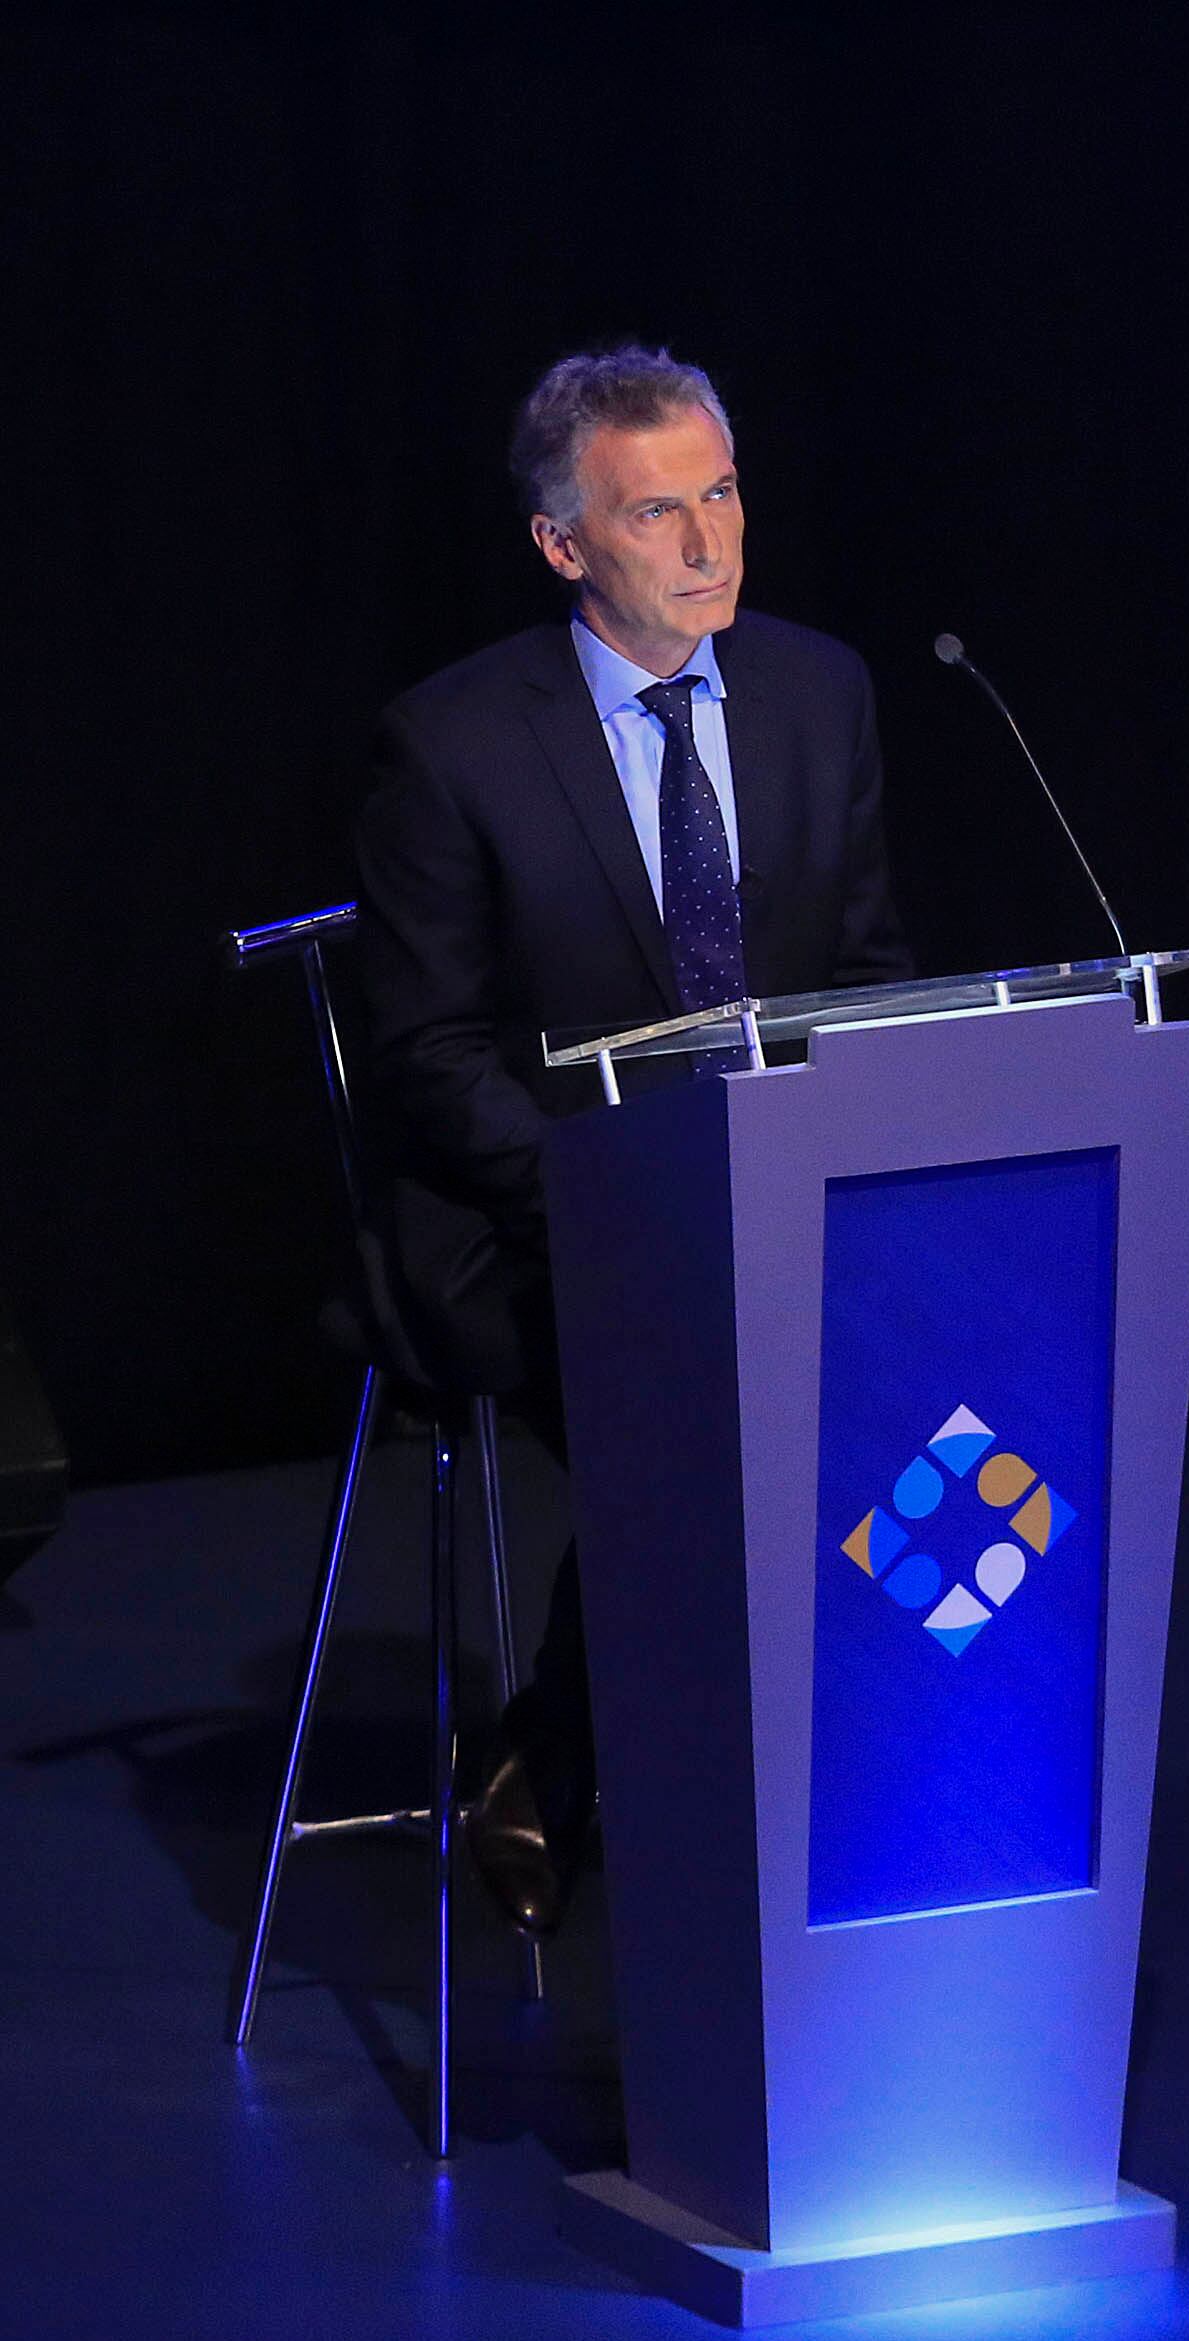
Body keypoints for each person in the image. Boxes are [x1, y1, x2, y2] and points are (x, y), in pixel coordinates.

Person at [355, 346, 911, 1933]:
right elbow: (432, 1058)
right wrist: (625, 1199)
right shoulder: (453, 744)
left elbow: (863, 977)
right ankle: (697, 1824)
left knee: (899, 1358)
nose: (706, 542)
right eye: (656, 511)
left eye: (721, 493)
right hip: (536, 1217)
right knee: (725, 1395)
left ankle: (577, 1751)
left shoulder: (820, 691)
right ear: (564, 545)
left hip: (779, 1199)